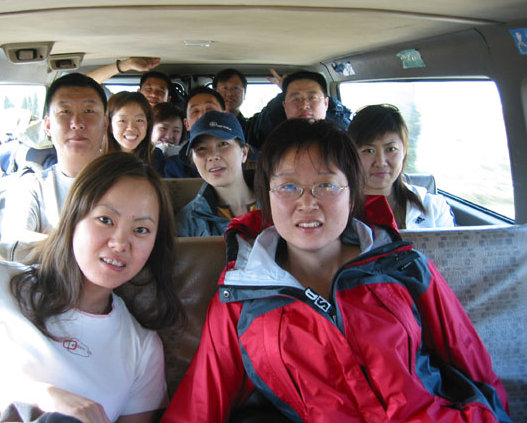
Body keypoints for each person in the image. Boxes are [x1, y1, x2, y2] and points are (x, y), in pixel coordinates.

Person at [162, 120, 509, 422]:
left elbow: (474, 369)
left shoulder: (404, 267)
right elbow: (201, 402)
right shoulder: (241, 297)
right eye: (288, 187)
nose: (307, 202)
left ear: (352, 194)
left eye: (326, 185)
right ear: (267, 197)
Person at [0, 152, 183, 423]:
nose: (120, 243)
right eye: (105, 220)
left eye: (141, 230)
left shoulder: (143, 349)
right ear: (73, 218)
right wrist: (23, 398)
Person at [0, 73, 108, 243]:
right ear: (48, 126)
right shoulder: (32, 187)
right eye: (65, 112)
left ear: (105, 124)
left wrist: (51, 241)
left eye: (88, 111)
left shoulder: (130, 183)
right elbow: (14, 242)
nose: (77, 123)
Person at [348, 104, 455, 229]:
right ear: (352, 155)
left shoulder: (434, 207)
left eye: (391, 149)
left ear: (404, 151)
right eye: (368, 151)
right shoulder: (338, 209)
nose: (381, 162)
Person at [176, 111, 257, 237]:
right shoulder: (187, 222)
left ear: (244, 153)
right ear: (193, 160)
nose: (212, 156)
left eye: (223, 144)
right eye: (201, 148)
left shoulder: (277, 202)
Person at [245, 70, 351, 150]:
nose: (304, 105)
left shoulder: (343, 139)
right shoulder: (271, 140)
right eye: (296, 99)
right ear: (284, 106)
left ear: (326, 103)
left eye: (312, 97)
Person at [163, 86, 226, 178]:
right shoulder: (174, 167)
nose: (202, 116)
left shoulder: (242, 155)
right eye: (195, 111)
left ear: (226, 117)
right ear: (186, 124)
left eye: (210, 110)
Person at [104, 91, 163, 172]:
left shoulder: (156, 157)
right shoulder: (96, 158)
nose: (131, 128)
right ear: (109, 125)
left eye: (139, 120)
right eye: (122, 121)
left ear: (148, 124)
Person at [86, 58, 172, 107]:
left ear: (168, 99)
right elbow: (87, 81)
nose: (153, 94)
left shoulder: (174, 123)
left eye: (160, 91)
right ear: (139, 92)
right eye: (149, 89)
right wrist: (128, 64)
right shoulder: (119, 107)